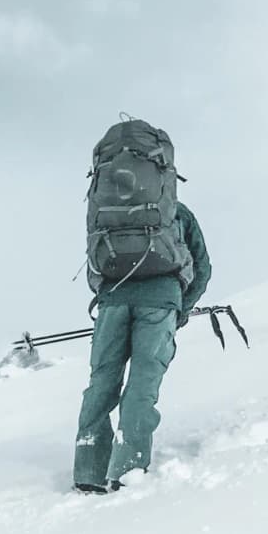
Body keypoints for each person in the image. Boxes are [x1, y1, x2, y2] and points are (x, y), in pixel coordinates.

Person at [73, 202, 211, 495]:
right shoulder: (173, 210)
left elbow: (93, 266)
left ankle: (89, 471)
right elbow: (202, 267)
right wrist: (179, 309)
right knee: (142, 384)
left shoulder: (106, 209)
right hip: (161, 301)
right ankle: (127, 470)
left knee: (101, 382)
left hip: (112, 300)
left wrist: (110, 293)